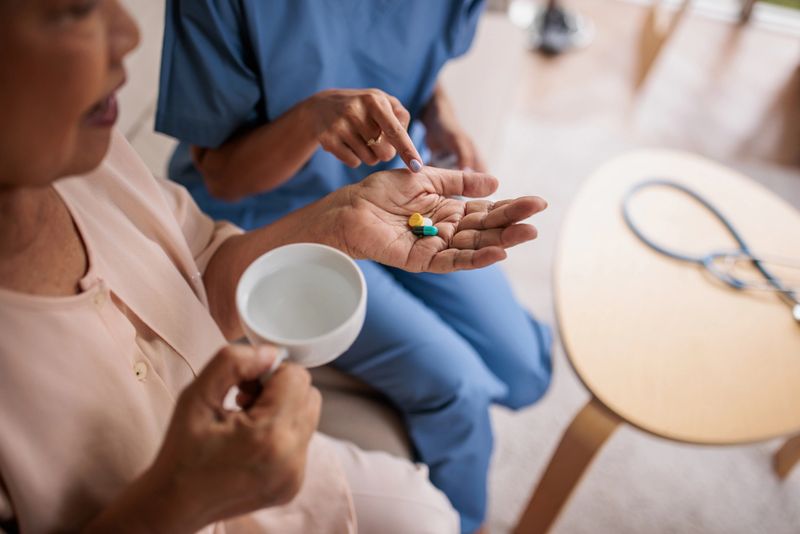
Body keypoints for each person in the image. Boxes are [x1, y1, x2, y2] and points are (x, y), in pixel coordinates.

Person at [0, 1, 548, 533]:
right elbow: (223, 182)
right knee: (460, 388)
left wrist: (340, 219)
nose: (132, 33)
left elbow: (194, 273)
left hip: (377, 199)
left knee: (525, 371)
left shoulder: (96, 160)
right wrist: (180, 500)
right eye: (72, 10)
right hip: (263, 203)